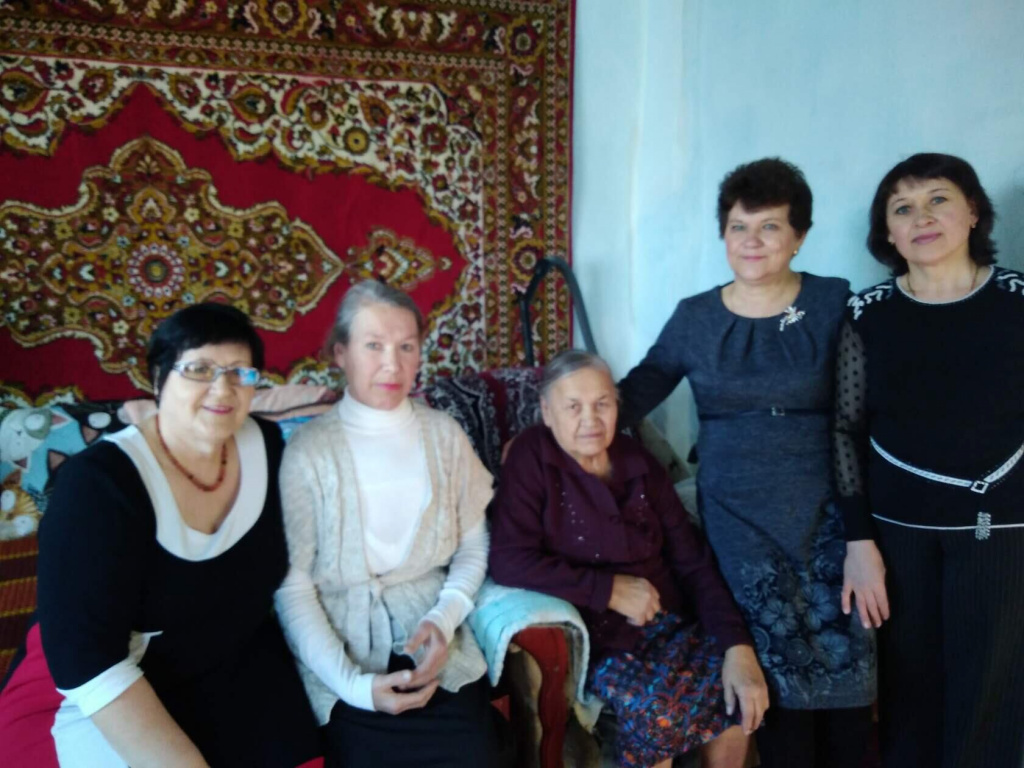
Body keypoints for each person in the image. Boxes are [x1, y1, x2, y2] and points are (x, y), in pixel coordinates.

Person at [616, 158, 876, 767]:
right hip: (736, 517)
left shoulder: (833, 302)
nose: (752, 241)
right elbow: (636, 391)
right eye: (739, 227)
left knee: (847, 680)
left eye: (770, 227)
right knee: (772, 684)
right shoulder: (696, 317)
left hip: (826, 508)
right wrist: (553, 429)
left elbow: (867, 408)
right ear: (723, 234)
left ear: (799, 236)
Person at [0, 303, 323, 767]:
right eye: (199, 370)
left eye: (240, 373)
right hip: (102, 683)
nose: (222, 389)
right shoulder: (98, 486)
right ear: (158, 379)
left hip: (230, 658)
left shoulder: (269, 447)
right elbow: (86, 661)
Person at [490, 350, 768, 768]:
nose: (590, 419)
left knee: (737, 692)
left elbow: (692, 562)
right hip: (604, 638)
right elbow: (509, 559)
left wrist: (737, 646)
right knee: (658, 713)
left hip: (672, 624)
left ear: (617, 406)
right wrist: (608, 590)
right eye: (573, 406)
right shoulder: (532, 458)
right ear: (547, 412)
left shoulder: (639, 462)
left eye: (602, 403)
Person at [837, 153, 1024, 768]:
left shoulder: (1018, 299)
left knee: (991, 699)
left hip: (1002, 529)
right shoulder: (866, 313)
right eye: (903, 208)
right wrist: (859, 541)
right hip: (898, 536)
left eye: (938, 199)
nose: (922, 217)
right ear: (887, 235)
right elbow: (845, 429)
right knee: (908, 696)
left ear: (973, 213)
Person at [274, 280, 509, 768]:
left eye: (406, 347)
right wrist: (354, 687)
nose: (392, 364)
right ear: (341, 353)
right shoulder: (306, 453)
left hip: (437, 651)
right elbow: (293, 588)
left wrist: (443, 618)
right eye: (374, 345)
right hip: (343, 660)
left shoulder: (445, 436)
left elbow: (473, 546)